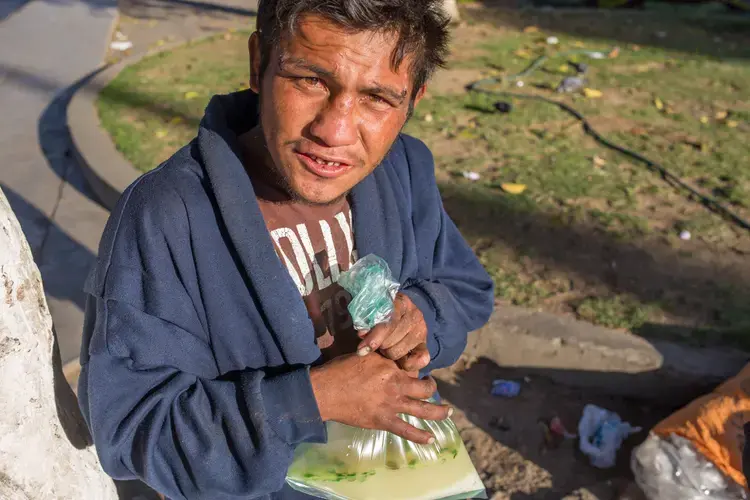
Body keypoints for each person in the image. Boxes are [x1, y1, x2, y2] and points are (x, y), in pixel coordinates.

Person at [78, 0, 494, 498]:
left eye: (377, 99)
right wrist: (308, 401)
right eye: (311, 80)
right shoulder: (167, 216)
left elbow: (466, 289)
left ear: (413, 101)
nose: (334, 131)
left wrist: (422, 315)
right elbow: (133, 432)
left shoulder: (404, 169)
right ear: (259, 63)